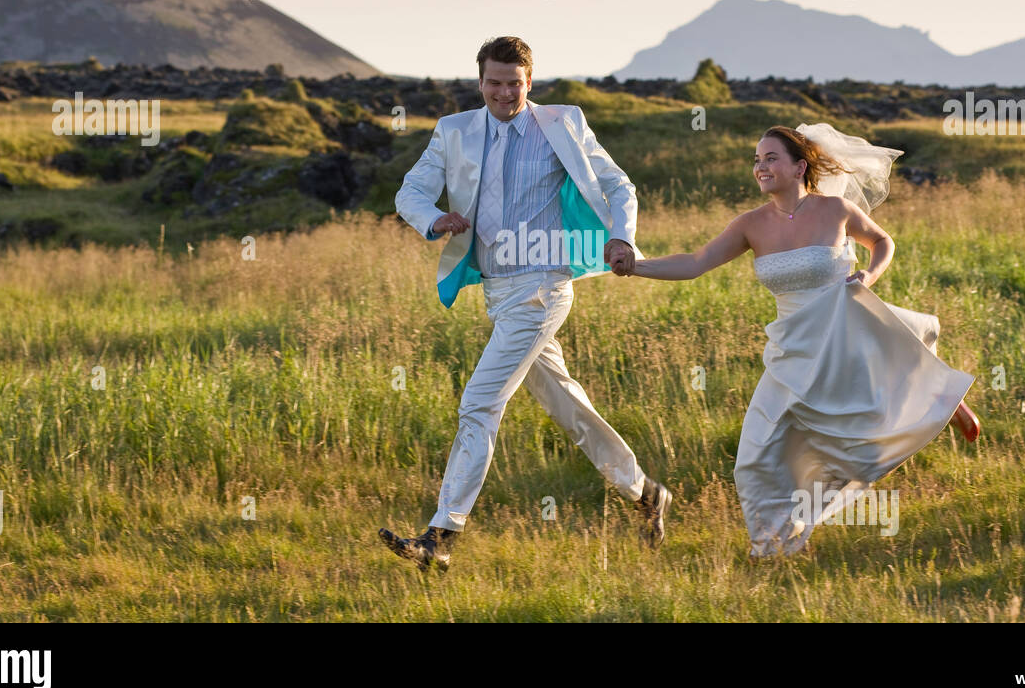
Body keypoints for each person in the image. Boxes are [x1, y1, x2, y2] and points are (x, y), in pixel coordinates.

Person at [615, 123, 980, 558]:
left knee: (854, 437)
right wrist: (635, 267)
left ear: (799, 167)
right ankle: (772, 544)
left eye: (771, 158)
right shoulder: (751, 224)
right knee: (754, 457)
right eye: (756, 159)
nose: (761, 167)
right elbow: (695, 263)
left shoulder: (835, 210)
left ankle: (937, 396)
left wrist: (869, 273)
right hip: (792, 348)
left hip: (842, 331)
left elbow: (882, 241)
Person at [384, 36, 672, 571]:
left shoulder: (562, 122)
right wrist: (433, 219)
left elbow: (618, 185)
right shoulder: (454, 131)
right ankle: (646, 496)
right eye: (494, 83)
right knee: (569, 408)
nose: (503, 93)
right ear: (480, 83)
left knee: (478, 404)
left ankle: (440, 537)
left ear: (530, 82)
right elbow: (409, 192)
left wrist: (622, 238)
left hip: (544, 286)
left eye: (514, 83)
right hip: (498, 289)